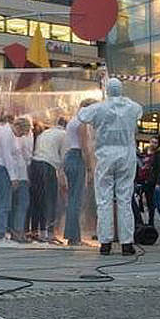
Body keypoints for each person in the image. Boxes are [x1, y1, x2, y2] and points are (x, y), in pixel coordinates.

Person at [78, 78, 144, 255]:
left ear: (107, 90)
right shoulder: (133, 107)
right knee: (124, 199)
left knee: (104, 200)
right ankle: (127, 243)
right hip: (127, 154)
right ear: (121, 89)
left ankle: (105, 243)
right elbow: (139, 111)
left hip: (105, 154)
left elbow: (81, 115)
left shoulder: (99, 107)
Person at [63, 100, 95, 246]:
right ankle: (74, 237)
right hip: (77, 158)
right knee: (76, 199)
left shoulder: (72, 121)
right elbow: (84, 147)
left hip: (70, 156)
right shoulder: (82, 123)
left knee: (72, 199)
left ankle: (71, 234)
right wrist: (89, 167)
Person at [29, 117, 66, 241]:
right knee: (50, 199)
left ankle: (36, 230)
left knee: (37, 198)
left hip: (35, 164)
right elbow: (63, 157)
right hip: (48, 165)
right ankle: (49, 232)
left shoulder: (45, 133)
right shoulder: (64, 134)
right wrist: (63, 179)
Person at [9, 117, 34, 242]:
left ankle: (16, 230)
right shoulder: (19, 138)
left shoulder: (14, 137)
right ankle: (17, 231)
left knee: (17, 203)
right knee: (23, 203)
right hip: (20, 174)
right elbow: (26, 155)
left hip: (17, 174)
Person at [136, 136, 160, 226]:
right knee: (140, 201)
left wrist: (158, 182)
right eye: (152, 142)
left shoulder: (158, 155)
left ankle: (151, 221)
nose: (153, 144)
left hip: (151, 181)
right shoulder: (144, 153)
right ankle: (141, 220)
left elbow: (159, 169)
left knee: (150, 202)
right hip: (142, 179)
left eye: (155, 142)